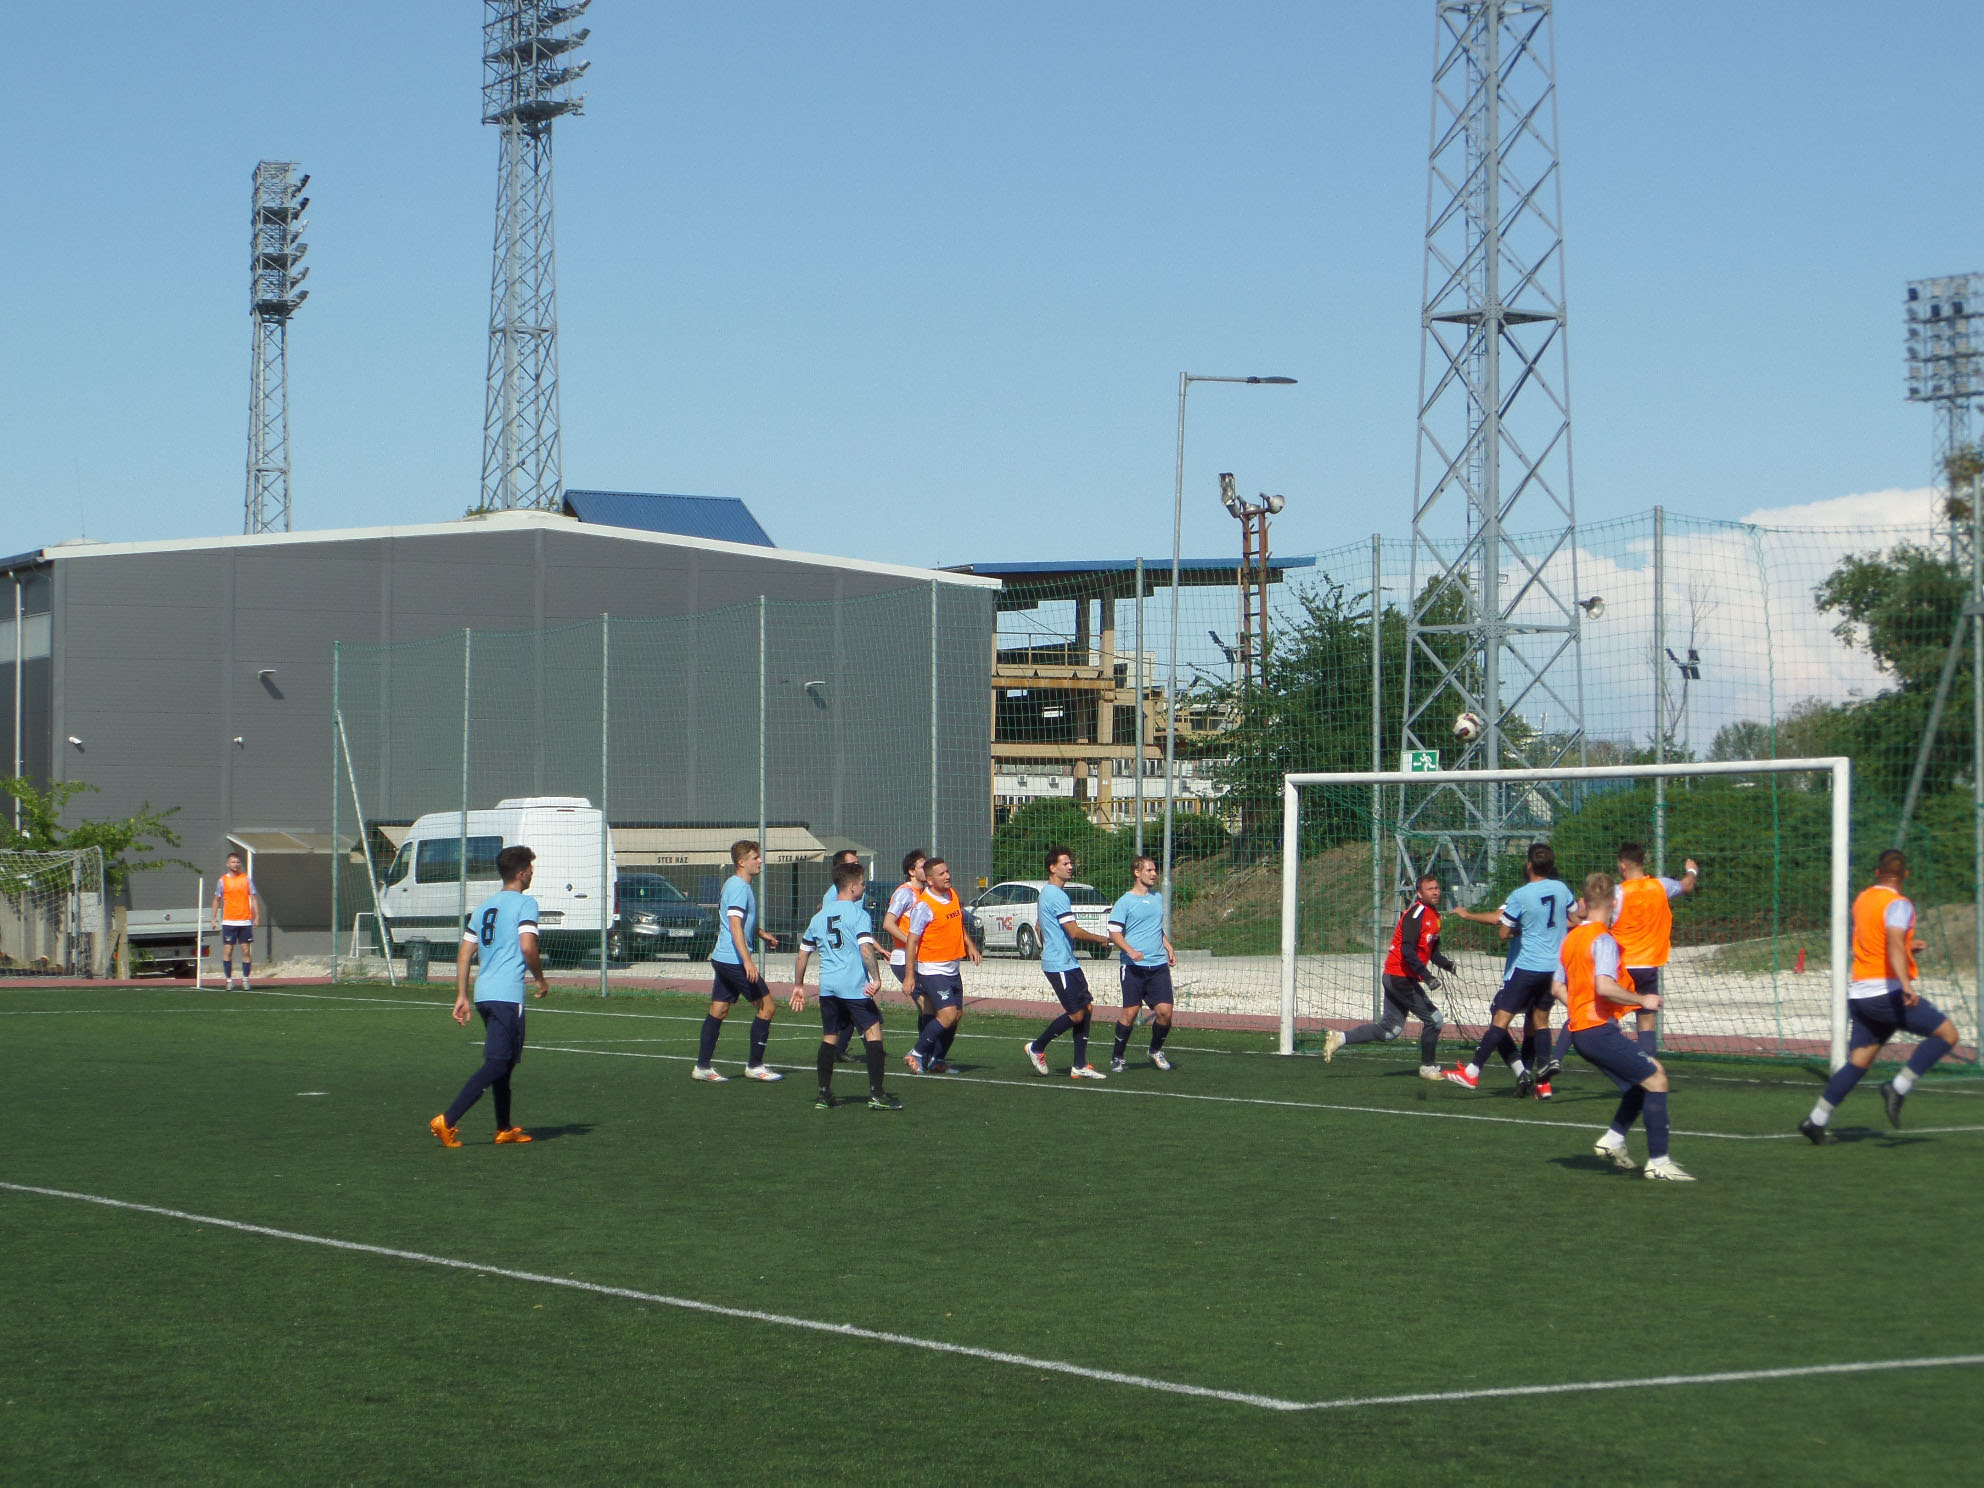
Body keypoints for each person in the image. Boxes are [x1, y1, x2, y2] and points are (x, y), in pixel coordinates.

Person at [1801, 849, 1959, 1143]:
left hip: (1860, 994)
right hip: (1885, 993)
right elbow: (1893, 944)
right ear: (1905, 875)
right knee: (1948, 1034)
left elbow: (1876, 943)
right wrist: (1906, 984)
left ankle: (1816, 1120)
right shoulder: (1898, 904)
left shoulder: (1863, 899)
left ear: (1877, 873)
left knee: (1858, 1062)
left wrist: (1909, 948)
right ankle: (1897, 1088)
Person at [1554, 871, 1693, 1181]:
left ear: (1584, 903)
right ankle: (1659, 1163)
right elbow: (1604, 986)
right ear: (1614, 903)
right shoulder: (1603, 939)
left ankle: (1613, 1139)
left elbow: (1556, 987)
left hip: (1581, 1032)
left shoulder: (1570, 938)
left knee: (1640, 1084)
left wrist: (1580, 1008)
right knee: (1656, 1078)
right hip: (1598, 1031)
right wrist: (1643, 999)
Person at [430, 845, 547, 1147]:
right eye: (530, 869)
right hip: (507, 995)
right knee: (497, 1063)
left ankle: (504, 1128)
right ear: (521, 873)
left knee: (504, 1062)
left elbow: (464, 954)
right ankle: (448, 1119)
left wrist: (462, 995)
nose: (532, 873)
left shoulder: (484, 908)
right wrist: (540, 978)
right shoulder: (526, 903)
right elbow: (527, 947)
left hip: (484, 995)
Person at [1443, 844, 1575, 1098]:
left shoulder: (1521, 895)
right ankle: (1541, 1083)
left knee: (1500, 1019)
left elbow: (1502, 930)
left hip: (1527, 968)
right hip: (1554, 969)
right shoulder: (1561, 889)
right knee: (1539, 1022)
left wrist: (1470, 916)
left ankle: (1473, 1071)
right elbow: (1575, 918)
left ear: (1529, 865)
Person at [789, 859, 901, 1111]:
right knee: (873, 1033)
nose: (864, 887)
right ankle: (877, 1094)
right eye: (862, 883)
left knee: (830, 1037)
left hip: (828, 988)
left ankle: (824, 1094)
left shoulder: (818, 917)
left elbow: (803, 954)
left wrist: (798, 985)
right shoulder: (859, 914)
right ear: (851, 886)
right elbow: (865, 949)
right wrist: (876, 979)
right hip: (854, 987)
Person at [1325, 873, 1455, 1080]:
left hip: (1400, 977)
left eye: (1437, 888)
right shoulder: (1416, 914)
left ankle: (1339, 1038)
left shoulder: (1436, 916)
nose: (1435, 892)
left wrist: (1447, 964)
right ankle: (1428, 1067)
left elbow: (1432, 952)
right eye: (1430, 889)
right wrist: (1427, 976)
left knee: (1390, 1030)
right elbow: (1407, 950)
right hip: (1399, 977)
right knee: (1435, 1020)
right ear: (1419, 893)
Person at [693, 839, 784, 1083]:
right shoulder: (739, 888)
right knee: (767, 1007)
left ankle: (702, 1067)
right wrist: (748, 962)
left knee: (719, 1009)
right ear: (741, 862)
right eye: (755, 857)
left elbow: (739, 922)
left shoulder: (735, 884)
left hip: (723, 958)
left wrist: (760, 933)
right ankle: (755, 1066)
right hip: (733, 961)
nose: (760, 861)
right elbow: (734, 927)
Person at [1022, 844, 1113, 1079]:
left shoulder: (1051, 893)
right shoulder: (1055, 895)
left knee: (1087, 1008)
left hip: (1068, 961)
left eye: (1071, 863)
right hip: (1058, 964)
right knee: (1076, 1014)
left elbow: (1040, 926)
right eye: (1065, 863)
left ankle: (1079, 1065)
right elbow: (1073, 931)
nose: (1070, 866)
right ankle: (1037, 1047)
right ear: (1052, 868)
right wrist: (1101, 939)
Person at [1610, 841, 1699, 1055]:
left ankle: (1618, 1062)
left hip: (1621, 965)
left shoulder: (1616, 893)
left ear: (1622, 865)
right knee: (1646, 1022)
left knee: (1609, 1017)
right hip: (1649, 964)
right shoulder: (1661, 886)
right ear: (1642, 862)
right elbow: (1687, 885)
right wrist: (1692, 870)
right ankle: (1648, 1067)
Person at [902, 857, 981, 1074]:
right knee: (947, 1014)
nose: (947, 876)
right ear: (929, 880)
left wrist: (970, 946)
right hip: (932, 969)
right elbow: (912, 941)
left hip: (952, 968)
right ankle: (916, 1053)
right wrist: (909, 976)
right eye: (941, 874)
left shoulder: (952, 894)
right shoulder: (924, 906)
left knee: (956, 1015)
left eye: (947, 871)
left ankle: (938, 1060)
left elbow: (957, 923)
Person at [1106, 855, 1177, 1073]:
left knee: (1165, 1012)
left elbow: (1155, 927)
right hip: (1133, 967)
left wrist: (1168, 946)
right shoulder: (1125, 902)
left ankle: (1155, 1051)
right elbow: (1114, 932)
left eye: (1155, 870)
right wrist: (1130, 951)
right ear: (1137, 873)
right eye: (1149, 870)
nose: (1154, 874)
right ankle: (1117, 1057)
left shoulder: (1157, 898)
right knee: (1130, 1013)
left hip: (1158, 965)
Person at [883, 850, 935, 1043]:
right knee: (928, 1006)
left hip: (918, 958)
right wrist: (910, 941)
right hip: (903, 958)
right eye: (923, 866)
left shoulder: (924, 893)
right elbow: (888, 923)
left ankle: (923, 1050)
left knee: (928, 1006)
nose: (927, 869)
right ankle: (923, 1051)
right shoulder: (905, 893)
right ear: (912, 871)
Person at [211, 850, 260, 990]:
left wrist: (257, 916)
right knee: (228, 950)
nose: (236, 864)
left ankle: (245, 980)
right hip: (229, 921)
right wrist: (213, 918)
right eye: (233, 862)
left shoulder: (246, 879)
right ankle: (228, 980)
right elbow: (216, 900)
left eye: (238, 862)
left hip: (245, 921)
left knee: (246, 950)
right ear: (228, 864)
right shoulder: (223, 880)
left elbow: (253, 898)